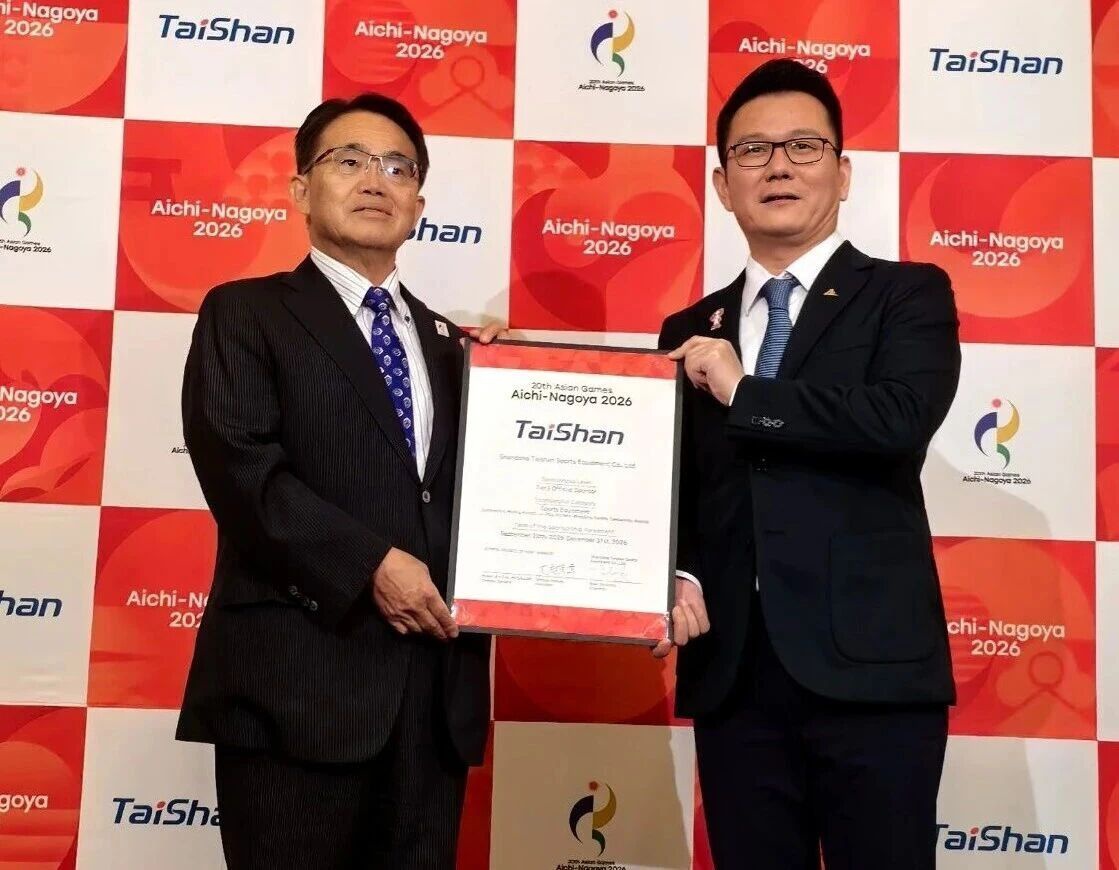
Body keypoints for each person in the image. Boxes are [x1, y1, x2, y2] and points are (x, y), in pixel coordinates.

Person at [177, 93, 500, 869]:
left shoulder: (457, 348)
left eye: (398, 168)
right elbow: (243, 472)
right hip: (297, 688)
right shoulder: (245, 313)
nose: (374, 180)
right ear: (301, 189)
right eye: (348, 160)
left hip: (431, 699)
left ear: (418, 204)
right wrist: (371, 565)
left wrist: (518, 385)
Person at [654, 59, 960, 869]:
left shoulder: (906, 295)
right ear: (722, 185)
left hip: (870, 671)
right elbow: (674, 487)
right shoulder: (688, 328)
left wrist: (744, 391)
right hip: (734, 672)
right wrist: (674, 571)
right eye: (752, 151)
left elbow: (897, 420)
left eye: (802, 146)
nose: (778, 167)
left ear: (842, 172)